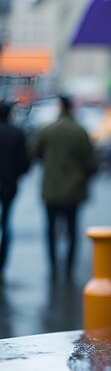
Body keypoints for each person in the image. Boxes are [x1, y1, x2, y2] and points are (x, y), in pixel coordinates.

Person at [30, 95, 98, 280]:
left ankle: (52, 265)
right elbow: (92, 163)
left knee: (50, 228)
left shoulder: (47, 131)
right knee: (72, 229)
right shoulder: (80, 132)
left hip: (51, 189)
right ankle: (68, 267)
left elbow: (34, 153)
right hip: (74, 190)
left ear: (59, 107)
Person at [0, 102, 30, 283]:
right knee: (6, 224)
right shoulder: (16, 133)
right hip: (9, 185)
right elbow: (24, 163)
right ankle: (2, 263)